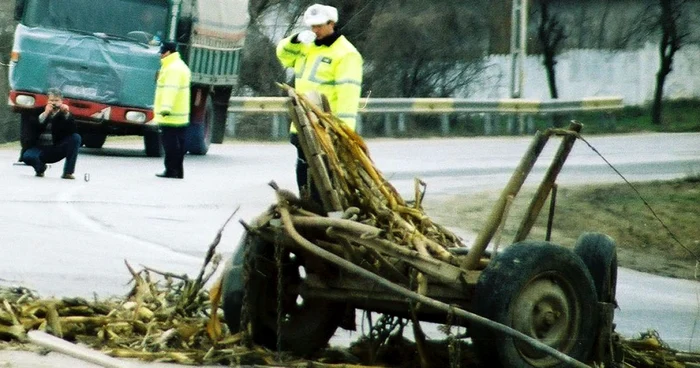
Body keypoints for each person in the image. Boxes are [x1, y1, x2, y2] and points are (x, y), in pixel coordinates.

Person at [276, 3, 363, 203]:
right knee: (303, 170)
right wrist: (295, 39)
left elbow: (348, 98)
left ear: (332, 23)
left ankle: (323, 211)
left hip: (325, 128)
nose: (314, 30)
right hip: (301, 124)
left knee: (323, 175)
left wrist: (343, 133)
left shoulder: (346, 54)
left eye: (319, 26)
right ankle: (308, 207)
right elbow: (282, 54)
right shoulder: (306, 47)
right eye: (311, 26)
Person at [21, 88, 81, 179]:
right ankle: (40, 169)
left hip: (54, 148)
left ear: (62, 101)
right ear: (47, 101)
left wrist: (66, 115)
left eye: (56, 100)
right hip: (38, 148)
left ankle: (68, 172)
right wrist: (45, 113)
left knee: (76, 138)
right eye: (51, 100)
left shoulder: (64, 114)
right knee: (27, 156)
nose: (54, 103)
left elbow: (73, 131)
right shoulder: (37, 111)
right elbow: (33, 127)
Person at [153, 41, 191, 179]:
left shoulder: (172, 69)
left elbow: (170, 89)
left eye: (162, 52)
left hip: (170, 114)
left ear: (168, 52)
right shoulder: (180, 66)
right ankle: (178, 171)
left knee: (170, 144)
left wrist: (165, 108)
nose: (160, 55)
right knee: (179, 143)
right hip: (180, 114)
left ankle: (171, 170)